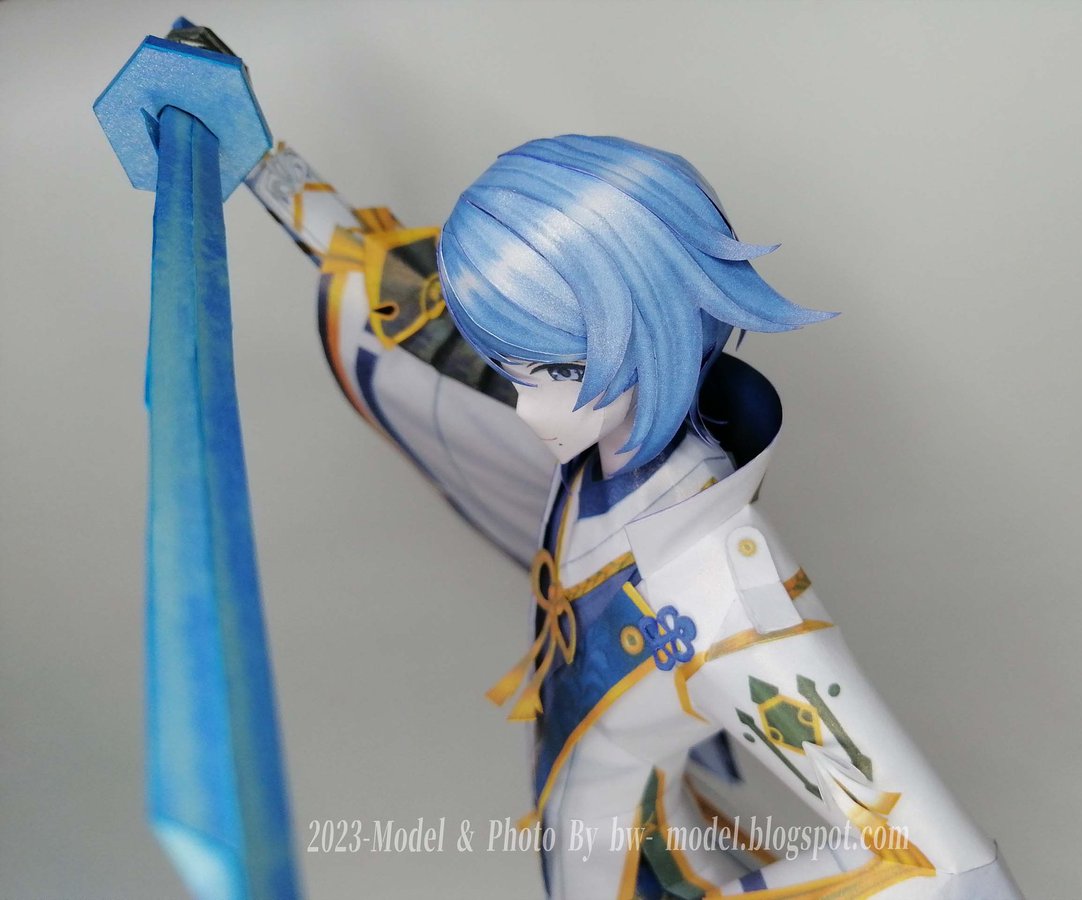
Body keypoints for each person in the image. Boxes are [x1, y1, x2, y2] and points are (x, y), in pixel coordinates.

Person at [244, 133, 1022, 898]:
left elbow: (948, 869)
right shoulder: (596, 439)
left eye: (554, 371)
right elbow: (405, 303)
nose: (528, 410)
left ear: (655, 329)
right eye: (517, 373)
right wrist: (259, 159)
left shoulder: (716, 591)